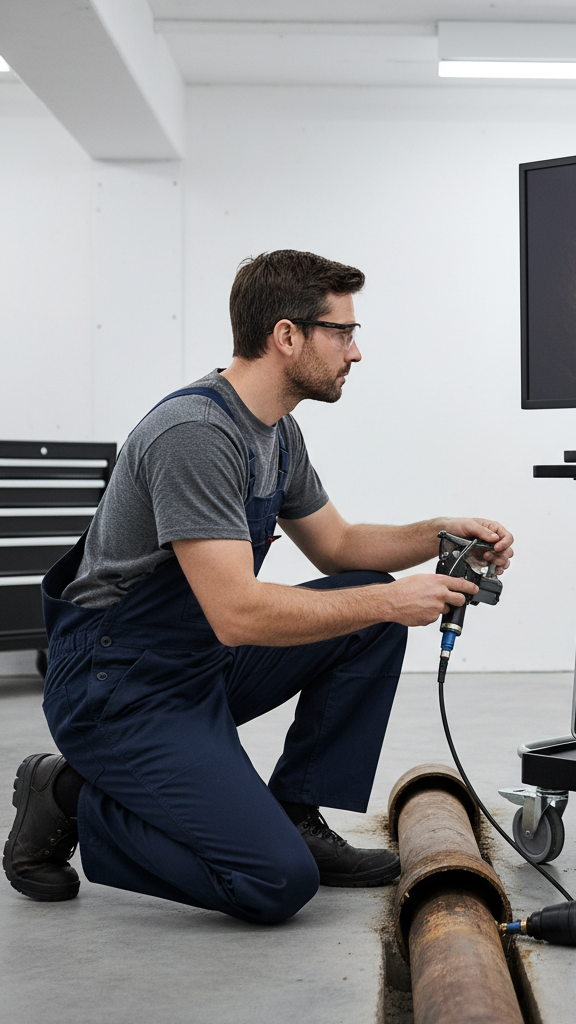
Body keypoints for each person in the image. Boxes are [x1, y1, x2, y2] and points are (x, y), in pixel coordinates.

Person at [2, 250, 513, 924]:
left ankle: (297, 811)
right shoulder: (196, 434)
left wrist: (441, 532)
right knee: (271, 882)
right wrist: (397, 600)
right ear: (286, 336)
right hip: (119, 686)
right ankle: (67, 792)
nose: (355, 352)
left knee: (369, 599)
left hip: (196, 663)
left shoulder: (276, 432)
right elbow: (237, 613)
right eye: (343, 332)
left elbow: (338, 547)